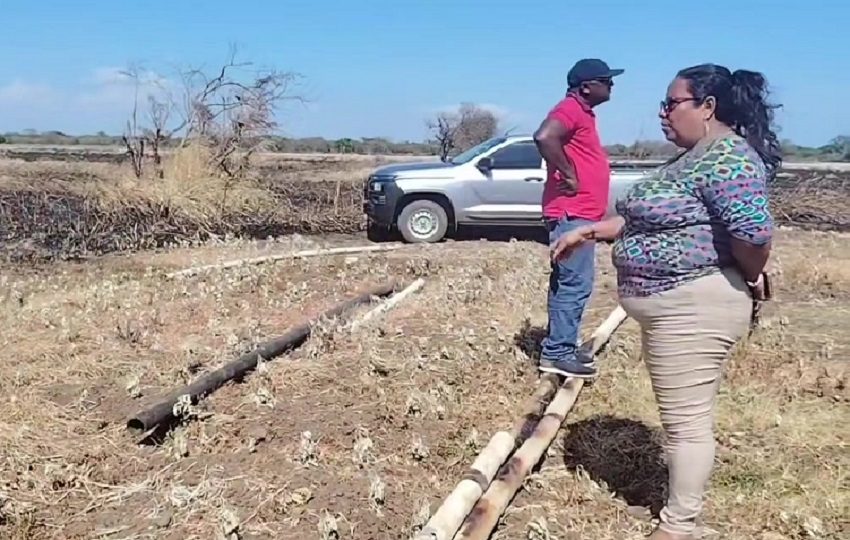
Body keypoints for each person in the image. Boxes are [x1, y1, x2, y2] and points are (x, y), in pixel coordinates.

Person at [550, 63, 779, 539]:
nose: (662, 113)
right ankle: (679, 514)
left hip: (695, 305)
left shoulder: (729, 158)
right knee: (681, 417)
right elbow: (645, 217)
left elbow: (754, 234)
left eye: (671, 104)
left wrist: (751, 274)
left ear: (707, 106)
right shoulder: (692, 157)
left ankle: (679, 526)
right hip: (669, 306)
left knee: (686, 423)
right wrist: (589, 231)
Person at [533, 58, 624, 379]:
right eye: (606, 81)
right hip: (573, 214)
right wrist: (569, 174)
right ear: (586, 87)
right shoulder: (570, 109)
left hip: (578, 213)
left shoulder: (582, 112)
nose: (611, 85)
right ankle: (557, 353)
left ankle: (561, 348)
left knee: (568, 283)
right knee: (574, 284)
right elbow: (545, 136)